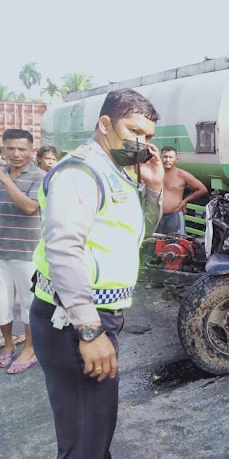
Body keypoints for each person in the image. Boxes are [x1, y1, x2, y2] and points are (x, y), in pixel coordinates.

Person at [30, 88, 164, 458]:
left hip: (91, 316)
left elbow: (137, 234)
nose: (142, 143)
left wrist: (152, 188)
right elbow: (63, 249)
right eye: (134, 131)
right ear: (105, 124)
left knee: (95, 429)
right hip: (72, 320)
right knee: (84, 439)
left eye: (149, 137)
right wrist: (90, 331)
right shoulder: (80, 172)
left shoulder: (115, 171)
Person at [0, 129, 44, 374]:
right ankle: (8, 345)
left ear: (31, 151)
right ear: (3, 149)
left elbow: (29, 207)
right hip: (0, 251)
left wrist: (6, 181)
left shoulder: (40, 177)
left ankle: (30, 347)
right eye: (11, 148)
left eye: (22, 149)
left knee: (29, 304)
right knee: (1, 304)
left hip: (28, 252)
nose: (16, 154)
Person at [156, 145, 208, 234]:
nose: (167, 160)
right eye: (165, 157)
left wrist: (185, 201)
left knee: (176, 244)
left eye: (170, 157)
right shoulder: (154, 173)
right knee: (154, 243)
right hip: (155, 216)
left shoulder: (182, 175)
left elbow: (202, 189)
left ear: (176, 159)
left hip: (174, 216)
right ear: (160, 158)